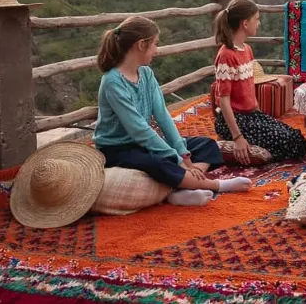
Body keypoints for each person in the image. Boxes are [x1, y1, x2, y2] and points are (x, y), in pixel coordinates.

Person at [93, 16, 252, 206]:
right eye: (154, 44)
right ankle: (215, 185)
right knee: (160, 162)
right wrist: (178, 160)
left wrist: (183, 153)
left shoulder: (146, 73)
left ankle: (181, 187)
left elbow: (162, 115)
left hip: (144, 142)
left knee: (207, 146)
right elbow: (139, 130)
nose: (156, 50)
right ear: (141, 45)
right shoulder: (112, 82)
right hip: (118, 148)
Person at [214, 0, 306, 164]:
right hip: (236, 120)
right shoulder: (226, 55)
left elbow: (248, 87)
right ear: (245, 23)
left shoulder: (247, 50)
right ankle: (231, 148)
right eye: (256, 19)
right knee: (288, 144)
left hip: (251, 115)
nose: (259, 23)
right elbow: (223, 100)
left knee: (296, 137)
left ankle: (258, 151)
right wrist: (237, 137)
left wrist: (261, 116)